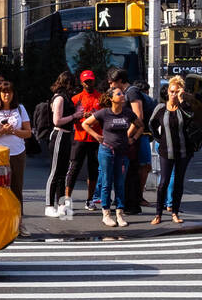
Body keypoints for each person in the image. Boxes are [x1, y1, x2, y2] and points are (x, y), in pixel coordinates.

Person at [81, 85, 141, 227]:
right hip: (107, 151)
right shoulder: (104, 113)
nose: (122, 96)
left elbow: (140, 125)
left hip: (122, 152)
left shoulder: (127, 113)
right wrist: (97, 136)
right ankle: (106, 214)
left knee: (120, 183)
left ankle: (119, 214)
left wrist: (132, 138)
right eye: (119, 94)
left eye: (122, 93)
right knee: (107, 182)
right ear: (111, 99)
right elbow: (85, 124)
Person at [148, 75, 195, 225]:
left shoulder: (184, 108)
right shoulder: (161, 108)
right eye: (172, 91)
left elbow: (190, 118)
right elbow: (151, 124)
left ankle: (175, 211)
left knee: (178, 183)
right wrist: (158, 138)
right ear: (168, 91)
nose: (174, 94)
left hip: (183, 151)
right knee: (164, 182)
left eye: (177, 92)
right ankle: (158, 214)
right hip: (165, 150)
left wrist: (182, 100)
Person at [0, 79, 31, 205]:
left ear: (13, 94)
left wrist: (13, 131)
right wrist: (1, 132)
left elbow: (28, 132)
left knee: (16, 188)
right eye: (4, 92)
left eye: (9, 92)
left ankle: (18, 217)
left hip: (17, 153)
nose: (6, 95)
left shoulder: (20, 109)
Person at [63, 70, 102, 212]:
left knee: (93, 170)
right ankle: (67, 199)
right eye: (86, 81)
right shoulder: (76, 98)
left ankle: (90, 200)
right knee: (74, 168)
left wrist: (94, 117)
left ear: (94, 80)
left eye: (90, 80)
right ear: (81, 82)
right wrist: (80, 116)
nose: (88, 83)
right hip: (79, 137)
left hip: (95, 138)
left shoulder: (101, 98)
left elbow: (105, 116)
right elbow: (69, 117)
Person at [44, 72, 77, 217]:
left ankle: (61, 204)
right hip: (59, 134)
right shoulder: (59, 98)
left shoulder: (65, 98)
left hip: (67, 135)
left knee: (63, 172)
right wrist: (74, 116)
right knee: (55, 171)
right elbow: (56, 120)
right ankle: (49, 205)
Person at [124, 76, 154, 213]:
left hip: (140, 136)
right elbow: (139, 119)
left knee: (138, 167)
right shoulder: (134, 95)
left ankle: (134, 196)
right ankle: (138, 196)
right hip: (140, 136)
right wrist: (130, 135)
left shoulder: (132, 95)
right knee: (143, 166)